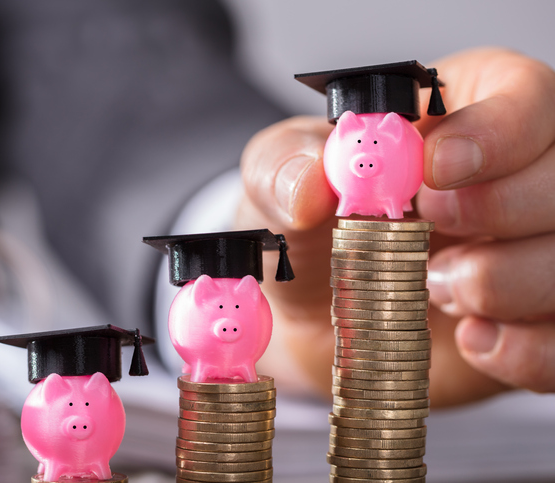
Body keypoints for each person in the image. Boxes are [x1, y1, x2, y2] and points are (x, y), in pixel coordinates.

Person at [233, 47, 555, 407]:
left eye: (375, 143)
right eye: (359, 143)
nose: (366, 155)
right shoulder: (333, 155)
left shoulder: (409, 138)